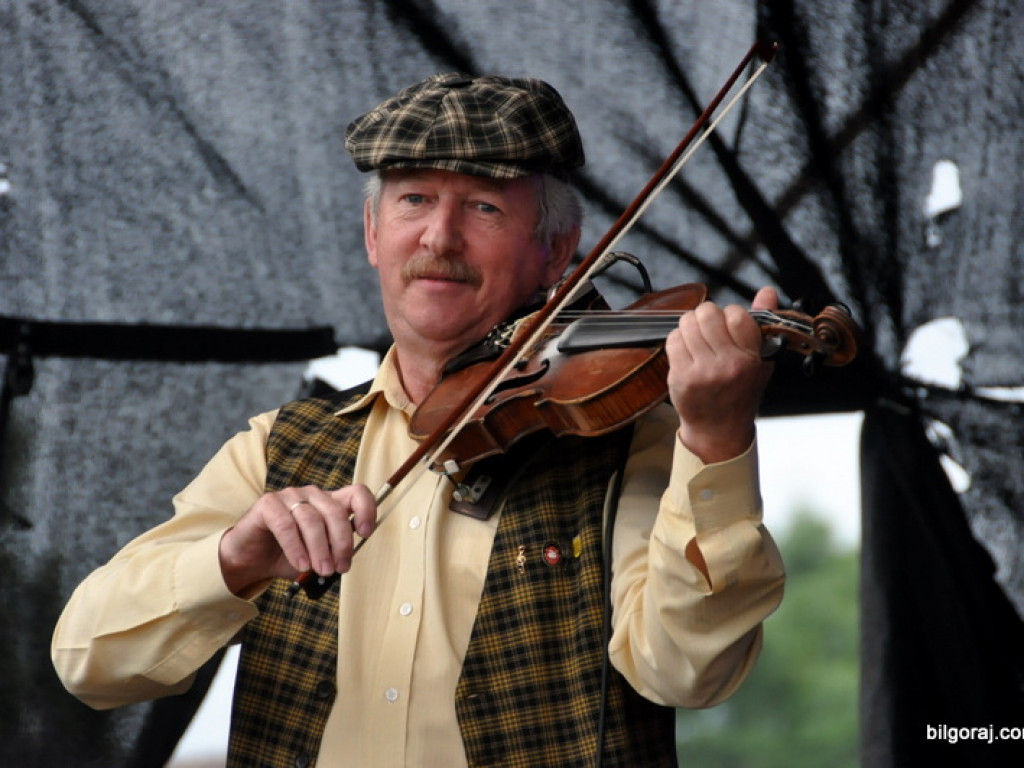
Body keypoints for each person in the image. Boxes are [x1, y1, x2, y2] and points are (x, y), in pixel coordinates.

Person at [52, 73, 785, 767]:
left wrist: (715, 438)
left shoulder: (630, 442)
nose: (439, 238)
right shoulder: (277, 448)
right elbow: (88, 660)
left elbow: (686, 671)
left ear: (556, 251)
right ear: (373, 233)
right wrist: (233, 561)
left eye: (484, 207)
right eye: (414, 200)